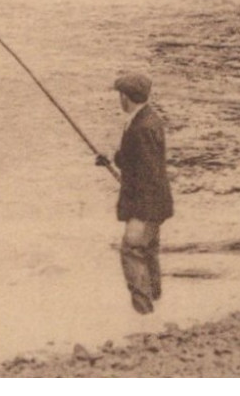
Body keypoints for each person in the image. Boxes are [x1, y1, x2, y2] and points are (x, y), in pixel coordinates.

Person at [97, 72, 174, 314]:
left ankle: (144, 311)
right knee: (148, 251)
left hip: (145, 205)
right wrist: (112, 160)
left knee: (131, 251)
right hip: (154, 202)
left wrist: (139, 209)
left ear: (126, 97)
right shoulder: (147, 119)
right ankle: (156, 310)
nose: (119, 100)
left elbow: (148, 171)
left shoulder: (141, 127)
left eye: (120, 96)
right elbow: (138, 163)